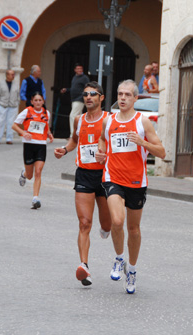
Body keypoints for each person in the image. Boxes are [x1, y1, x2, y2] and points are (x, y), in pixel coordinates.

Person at [96, 79, 166, 294]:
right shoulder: (108, 121)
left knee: (134, 230)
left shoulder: (142, 122)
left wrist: (142, 143)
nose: (123, 98)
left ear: (136, 98)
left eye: (127, 94)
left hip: (137, 181)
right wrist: (101, 154)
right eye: (120, 94)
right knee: (117, 220)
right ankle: (118, 259)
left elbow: (162, 152)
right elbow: (102, 140)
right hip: (113, 177)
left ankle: (132, 270)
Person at [54, 81, 112, 286]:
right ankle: (84, 267)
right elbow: (74, 140)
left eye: (93, 94)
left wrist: (107, 155)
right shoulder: (78, 120)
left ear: (101, 98)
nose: (88, 97)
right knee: (84, 223)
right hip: (84, 175)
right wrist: (65, 149)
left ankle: (107, 229)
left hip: (106, 177)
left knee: (107, 225)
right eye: (86, 94)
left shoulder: (109, 120)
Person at [13, 92, 54, 209]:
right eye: (35, 100)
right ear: (32, 101)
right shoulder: (27, 111)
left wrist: (49, 134)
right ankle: (24, 173)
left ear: (43, 101)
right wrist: (23, 133)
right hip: (29, 145)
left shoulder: (47, 113)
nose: (37, 102)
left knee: (38, 172)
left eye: (40, 100)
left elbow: (46, 126)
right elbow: (14, 125)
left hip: (41, 145)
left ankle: (35, 198)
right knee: (30, 175)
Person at [60, 63, 90, 138]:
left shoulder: (84, 78)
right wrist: (66, 90)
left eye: (81, 69)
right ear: (75, 70)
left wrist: (84, 96)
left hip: (80, 99)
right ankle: (80, 133)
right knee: (79, 117)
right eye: (78, 69)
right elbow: (74, 89)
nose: (80, 70)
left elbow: (88, 87)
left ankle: (73, 135)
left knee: (72, 115)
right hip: (74, 99)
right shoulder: (75, 78)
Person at [0, 69, 20, 145]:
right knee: (1, 121)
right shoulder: (1, 84)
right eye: (12, 74)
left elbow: (18, 94)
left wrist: (17, 102)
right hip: (3, 105)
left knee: (11, 123)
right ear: (7, 75)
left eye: (13, 74)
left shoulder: (16, 84)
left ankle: (9, 138)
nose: (13, 76)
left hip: (13, 106)